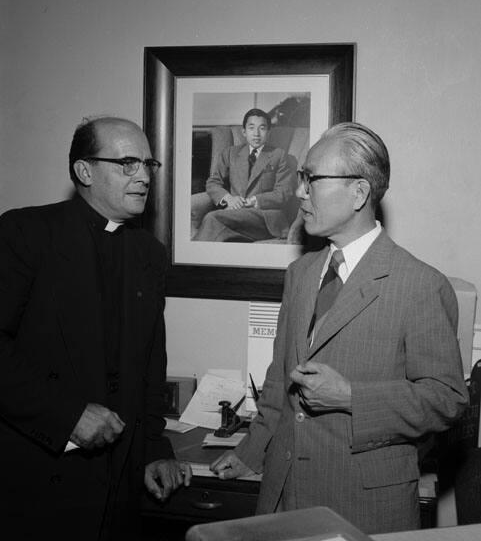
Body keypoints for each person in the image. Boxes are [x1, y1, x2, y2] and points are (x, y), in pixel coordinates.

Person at [211, 122, 469, 534]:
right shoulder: (300, 273)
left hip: (363, 505)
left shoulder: (420, 284)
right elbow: (280, 380)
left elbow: (447, 399)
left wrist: (351, 397)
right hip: (282, 496)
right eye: (301, 179)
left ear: (359, 193)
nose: (300, 192)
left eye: (311, 179)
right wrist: (251, 450)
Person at [0, 117, 192, 540]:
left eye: (148, 164)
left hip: (118, 484)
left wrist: (155, 449)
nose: (143, 176)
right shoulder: (25, 233)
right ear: (84, 171)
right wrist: (66, 416)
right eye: (127, 163)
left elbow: (149, 365)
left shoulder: (149, 254)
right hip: (37, 477)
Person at [193, 108, 295, 242]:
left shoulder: (279, 155)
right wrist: (229, 198)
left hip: (265, 218)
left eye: (262, 128)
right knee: (217, 227)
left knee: (212, 218)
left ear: (269, 132)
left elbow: (284, 192)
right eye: (251, 128)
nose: (256, 134)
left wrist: (254, 200)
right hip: (234, 213)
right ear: (244, 132)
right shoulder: (231, 153)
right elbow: (213, 183)